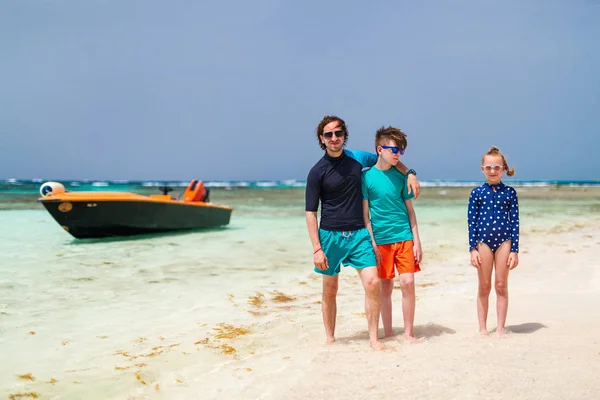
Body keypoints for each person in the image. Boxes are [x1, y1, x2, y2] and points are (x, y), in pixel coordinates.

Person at [305, 115, 420, 350]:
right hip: (329, 236)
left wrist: (410, 173)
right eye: (329, 134)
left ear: (344, 136)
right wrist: (317, 248)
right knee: (330, 289)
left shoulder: (357, 158)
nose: (334, 138)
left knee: (372, 282)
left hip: (359, 234)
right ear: (322, 139)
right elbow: (310, 213)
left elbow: (389, 158)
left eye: (338, 133)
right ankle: (330, 340)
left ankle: (374, 340)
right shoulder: (316, 172)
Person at [361, 126, 423, 343]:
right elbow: (365, 216)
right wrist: (372, 243)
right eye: (394, 150)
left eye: (400, 151)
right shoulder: (366, 177)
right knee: (385, 286)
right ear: (380, 149)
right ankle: (387, 333)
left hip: (404, 236)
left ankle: (408, 333)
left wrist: (417, 242)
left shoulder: (402, 177)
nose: (397, 154)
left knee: (407, 282)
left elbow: (410, 211)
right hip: (381, 240)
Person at [468, 145, 520, 336]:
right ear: (482, 169)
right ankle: (482, 328)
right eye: (488, 167)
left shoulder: (510, 193)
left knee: (500, 285)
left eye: (497, 167)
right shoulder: (476, 193)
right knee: (484, 285)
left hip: (504, 242)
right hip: (483, 242)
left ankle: (500, 328)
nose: (492, 171)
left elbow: (515, 222)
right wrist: (472, 249)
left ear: (503, 169)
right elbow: (471, 222)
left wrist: (515, 250)